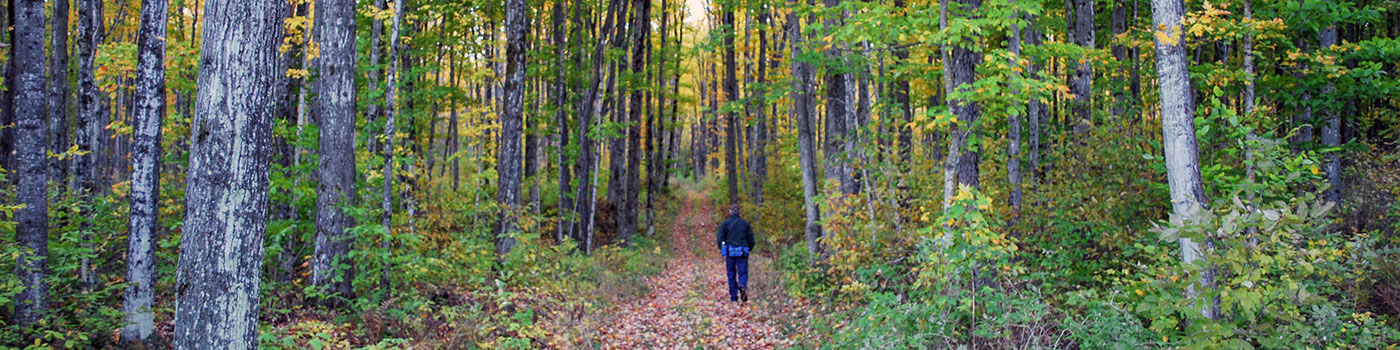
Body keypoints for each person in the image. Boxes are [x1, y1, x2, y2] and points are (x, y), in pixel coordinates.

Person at [716, 204, 754, 302]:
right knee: (743, 272)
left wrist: (722, 250)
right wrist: (749, 249)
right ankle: (742, 285)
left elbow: (720, 238)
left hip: (730, 252)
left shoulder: (725, 223)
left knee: (731, 274)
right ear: (740, 211)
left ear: (730, 212)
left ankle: (733, 297)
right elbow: (751, 239)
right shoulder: (745, 224)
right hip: (742, 252)